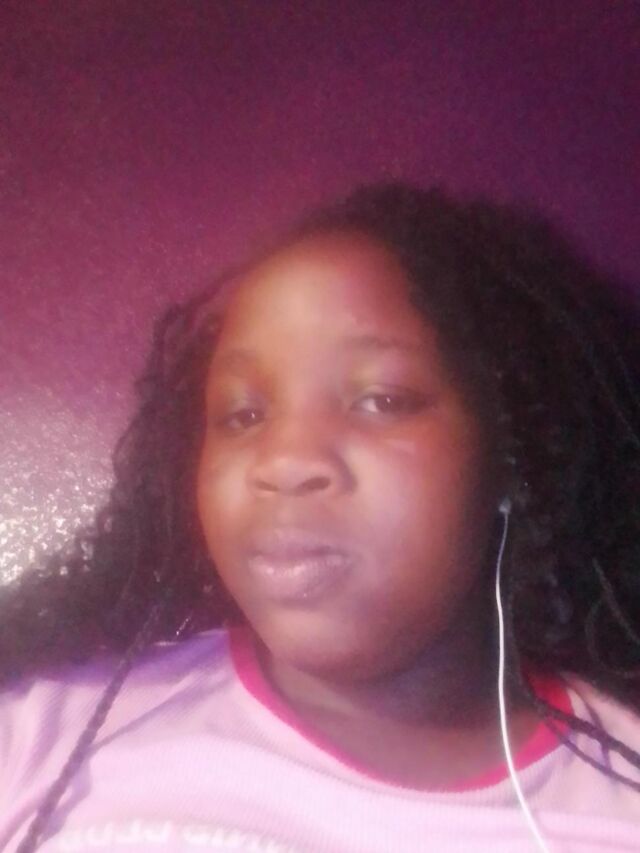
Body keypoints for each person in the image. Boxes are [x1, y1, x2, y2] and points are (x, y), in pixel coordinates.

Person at [1, 182, 639, 853]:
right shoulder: (44, 729)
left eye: (381, 399)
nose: (284, 460)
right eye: (243, 414)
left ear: (510, 453)